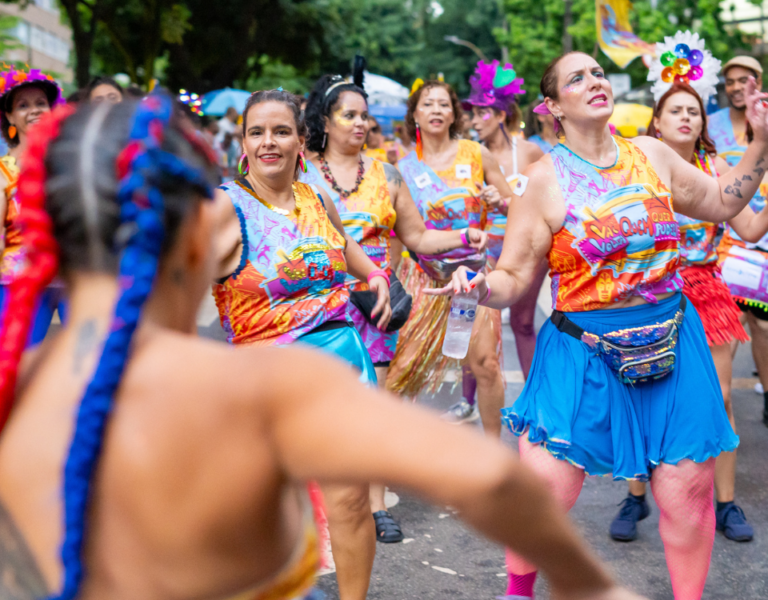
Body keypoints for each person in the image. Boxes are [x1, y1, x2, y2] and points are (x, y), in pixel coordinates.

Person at [0, 95, 645, 600]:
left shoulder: (17, 392)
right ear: (200, 233)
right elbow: (494, 479)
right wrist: (589, 581)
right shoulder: (266, 387)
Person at [429, 50, 768, 600]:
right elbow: (514, 276)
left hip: (671, 345)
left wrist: (759, 141)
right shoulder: (542, 181)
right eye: (577, 77)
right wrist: (480, 286)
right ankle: (518, 592)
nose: (595, 81)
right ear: (552, 105)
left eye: (599, 73)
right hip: (582, 352)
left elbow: (720, 200)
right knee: (545, 490)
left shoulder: (653, 155)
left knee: (688, 495)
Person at [213, 89, 395, 600]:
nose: (268, 142)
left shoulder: (315, 198)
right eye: (256, 132)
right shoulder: (224, 208)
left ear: (301, 139)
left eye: (280, 131)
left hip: (340, 366)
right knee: (262, 509)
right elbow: (174, 289)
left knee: (351, 503)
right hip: (264, 378)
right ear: (244, 142)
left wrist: (376, 275)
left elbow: (348, 247)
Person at [301, 74, 487, 545]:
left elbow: (418, 237)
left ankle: (376, 501)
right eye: (349, 114)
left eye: (364, 115)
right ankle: (311, 498)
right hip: (313, 309)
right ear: (324, 120)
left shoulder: (387, 175)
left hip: (376, 307)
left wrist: (465, 237)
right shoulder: (300, 174)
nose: (360, 123)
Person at [608, 39, 765, 545]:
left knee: (718, 397)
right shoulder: (636, 168)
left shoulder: (718, 172)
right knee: (641, 393)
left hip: (706, 289)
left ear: (702, 121)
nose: (685, 118)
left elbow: (750, 229)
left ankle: (725, 503)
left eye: (693, 111)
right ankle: (635, 497)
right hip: (649, 292)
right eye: (675, 110)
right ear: (657, 122)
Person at [385, 79, 513, 437]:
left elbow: (513, 204)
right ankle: (382, 455)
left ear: (454, 113)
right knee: (400, 370)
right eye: (428, 104)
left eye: (444, 104)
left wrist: (497, 200)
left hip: (473, 279)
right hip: (425, 279)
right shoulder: (402, 169)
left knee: (486, 365)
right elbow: (399, 232)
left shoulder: (476, 154)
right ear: (414, 115)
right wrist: (386, 279)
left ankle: (492, 455)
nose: (437, 111)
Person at [465, 60, 547, 381]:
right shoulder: (470, 154)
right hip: (485, 251)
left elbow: (546, 201)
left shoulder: (529, 152)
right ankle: (469, 400)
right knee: (475, 321)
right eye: (472, 114)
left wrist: (504, 202)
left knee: (523, 322)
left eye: (482, 112)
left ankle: (534, 396)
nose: (474, 120)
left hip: (524, 248)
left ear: (501, 115)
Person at [710, 56, 768, 429]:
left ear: (757, 80)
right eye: (729, 81)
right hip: (725, 245)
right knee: (727, 328)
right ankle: (721, 404)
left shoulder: (765, 116)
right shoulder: (709, 125)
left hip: (763, 237)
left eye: (742, 79)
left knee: (763, 327)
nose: (734, 87)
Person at [0, 66, 64, 344]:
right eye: (23, 105)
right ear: (9, 116)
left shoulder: (70, 162)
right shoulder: (4, 170)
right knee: (19, 366)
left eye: (41, 103)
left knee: (92, 366)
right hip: (19, 281)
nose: (35, 110)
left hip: (72, 276)